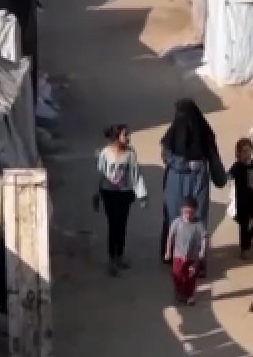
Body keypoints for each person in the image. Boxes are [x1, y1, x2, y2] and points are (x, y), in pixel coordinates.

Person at [159, 99, 226, 277]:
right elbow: (166, 155)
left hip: (192, 179)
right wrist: (184, 163)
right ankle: (176, 257)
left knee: (197, 219)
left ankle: (197, 260)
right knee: (176, 219)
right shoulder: (175, 134)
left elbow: (212, 154)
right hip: (182, 179)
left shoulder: (201, 132)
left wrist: (218, 175)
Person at [94, 124, 147, 276]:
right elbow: (99, 175)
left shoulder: (130, 154)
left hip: (125, 194)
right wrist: (97, 195)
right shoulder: (105, 153)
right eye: (125, 135)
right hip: (109, 194)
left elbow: (136, 175)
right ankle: (112, 259)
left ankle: (120, 256)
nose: (128, 137)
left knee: (122, 225)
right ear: (117, 138)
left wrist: (142, 195)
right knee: (113, 225)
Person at [164, 196, 206, 305]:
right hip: (178, 255)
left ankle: (190, 295)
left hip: (193, 257)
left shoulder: (199, 225)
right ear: (181, 210)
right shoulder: (176, 223)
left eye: (191, 213)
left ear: (195, 212)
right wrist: (168, 251)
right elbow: (170, 237)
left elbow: (204, 238)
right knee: (177, 274)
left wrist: (202, 252)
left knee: (191, 277)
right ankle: (179, 292)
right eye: (186, 212)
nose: (188, 215)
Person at [229, 138, 253, 259]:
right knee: (244, 225)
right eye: (244, 151)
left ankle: (248, 239)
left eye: (249, 151)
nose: (247, 154)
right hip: (241, 201)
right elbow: (228, 178)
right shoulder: (236, 167)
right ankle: (244, 249)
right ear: (238, 153)